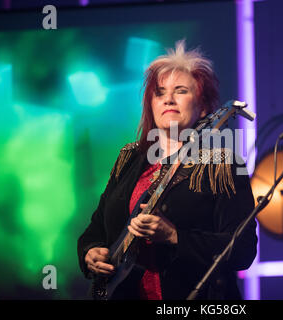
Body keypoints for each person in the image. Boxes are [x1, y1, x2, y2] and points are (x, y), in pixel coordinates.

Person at [77, 40, 257, 300]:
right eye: (159, 93)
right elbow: (96, 229)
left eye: (180, 91)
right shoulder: (129, 158)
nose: (168, 99)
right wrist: (91, 252)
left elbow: (242, 250)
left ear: (203, 105)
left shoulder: (224, 165)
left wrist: (175, 236)